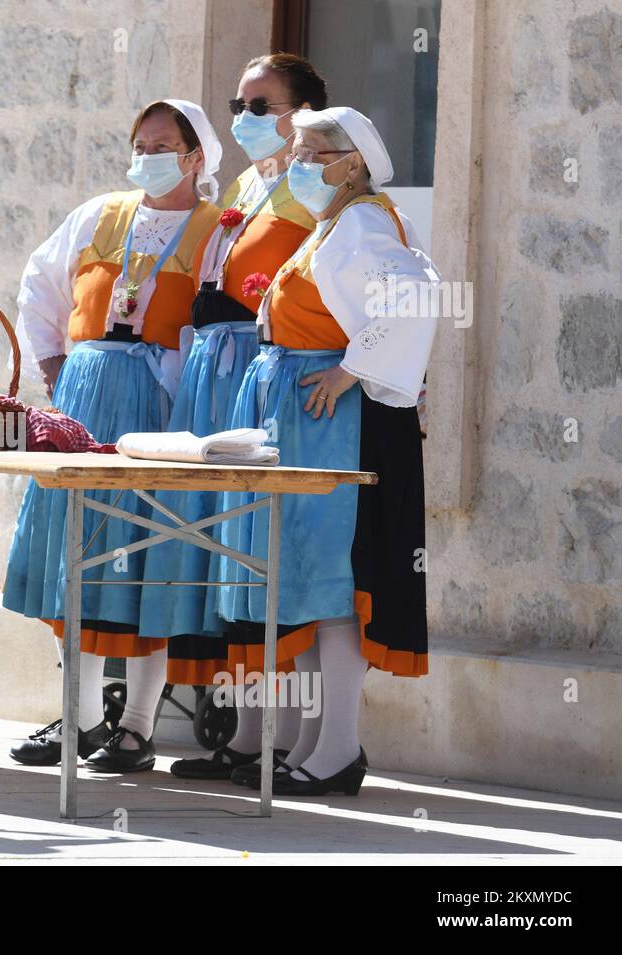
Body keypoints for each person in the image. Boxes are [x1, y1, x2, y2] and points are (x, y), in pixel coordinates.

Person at [211, 106, 438, 796]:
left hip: (338, 423)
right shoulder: (336, 224)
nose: (300, 162)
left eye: (315, 152)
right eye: (300, 150)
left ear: (353, 164)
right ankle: (315, 740)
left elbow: (415, 297)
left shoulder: (364, 222)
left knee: (338, 584)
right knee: (313, 585)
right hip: (311, 421)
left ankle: (337, 744)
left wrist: (350, 369)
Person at [2, 100, 222, 773]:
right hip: (85, 399)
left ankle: (136, 724)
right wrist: (50, 361)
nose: (147, 153)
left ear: (195, 156)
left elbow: (219, 327)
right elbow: (40, 283)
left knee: (151, 556)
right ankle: (79, 718)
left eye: (163, 143)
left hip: (159, 409)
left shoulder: (218, 230)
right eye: (140, 141)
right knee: (80, 552)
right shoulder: (101, 215)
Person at [137, 54, 327, 782]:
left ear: (301, 111)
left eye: (260, 104)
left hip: (262, 365)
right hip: (214, 371)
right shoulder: (248, 184)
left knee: (263, 547)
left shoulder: (315, 192)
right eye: (238, 103)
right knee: (227, 555)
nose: (243, 117)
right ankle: (247, 732)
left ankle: (292, 735)